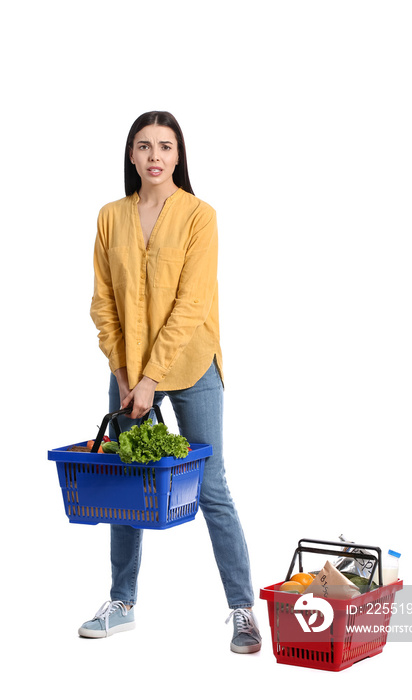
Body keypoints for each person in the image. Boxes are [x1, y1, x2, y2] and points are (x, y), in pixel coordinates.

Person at [79, 111, 261, 653]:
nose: (154, 156)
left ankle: (242, 609)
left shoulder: (200, 217)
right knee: (126, 490)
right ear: (131, 156)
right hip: (130, 373)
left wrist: (153, 376)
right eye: (144, 146)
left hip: (191, 365)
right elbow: (103, 301)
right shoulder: (110, 217)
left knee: (211, 487)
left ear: (179, 155)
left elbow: (191, 305)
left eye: (165, 145)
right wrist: (123, 374)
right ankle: (122, 602)